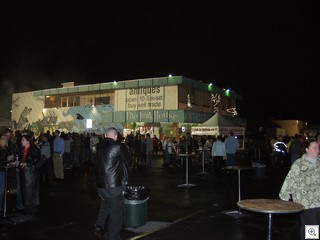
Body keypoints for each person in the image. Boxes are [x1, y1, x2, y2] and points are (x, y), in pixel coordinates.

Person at [279, 139, 320, 240]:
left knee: (317, 227)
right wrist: (284, 198)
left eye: (318, 148)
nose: (317, 150)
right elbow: (289, 181)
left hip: (319, 202)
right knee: (311, 228)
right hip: (306, 203)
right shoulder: (299, 164)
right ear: (307, 149)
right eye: (314, 148)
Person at [93, 127, 129, 240]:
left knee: (105, 205)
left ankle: (99, 226)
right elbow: (128, 159)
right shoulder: (118, 147)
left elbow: (94, 162)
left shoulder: (96, 147)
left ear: (105, 135)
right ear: (115, 136)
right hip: (114, 185)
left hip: (100, 185)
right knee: (116, 212)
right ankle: (113, 236)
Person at [16, 133, 41, 214]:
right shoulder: (22, 149)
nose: (21, 141)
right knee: (25, 189)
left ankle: (30, 208)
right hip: (23, 172)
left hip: (31, 172)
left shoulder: (34, 149)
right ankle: (27, 207)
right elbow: (21, 159)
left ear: (28, 141)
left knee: (30, 190)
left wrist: (27, 163)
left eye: (23, 140)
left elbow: (36, 159)